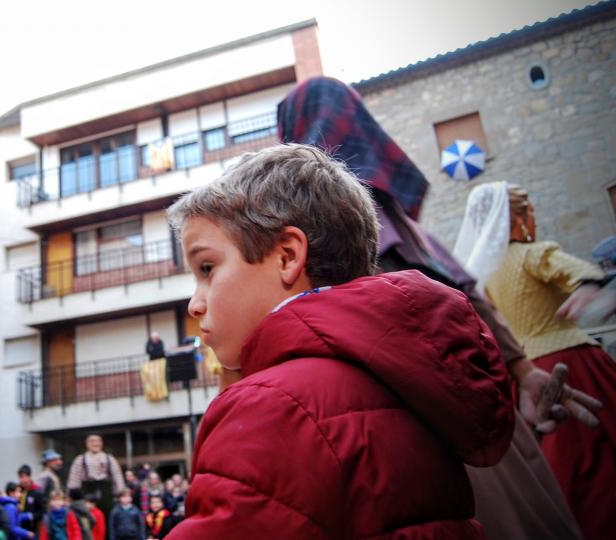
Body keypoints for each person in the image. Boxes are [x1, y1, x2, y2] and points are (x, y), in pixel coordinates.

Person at [278, 75, 595, 539]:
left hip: (427, 449)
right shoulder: (407, 228)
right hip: (481, 435)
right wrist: (523, 370)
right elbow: (470, 299)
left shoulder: (312, 237)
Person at [164, 143, 514, 537]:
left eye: (207, 268)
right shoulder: (404, 382)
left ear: (286, 257)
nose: (195, 304)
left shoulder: (274, 405)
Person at [454, 181, 616, 539]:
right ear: (518, 216)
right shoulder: (535, 254)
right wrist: (591, 285)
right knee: (602, 459)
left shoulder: (482, 273)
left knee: (565, 466)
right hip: (573, 363)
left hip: (524, 372)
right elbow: (583, 275)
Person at [66, 434, 125, 519]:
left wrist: (120, 494)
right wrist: (71, 497)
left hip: (106, 494)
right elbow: (74, 479)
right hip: (87, 493)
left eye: (98, 441)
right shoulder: (80, 459)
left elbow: (118, 477)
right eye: (92, 441)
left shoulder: (109, 458)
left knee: (108, 518)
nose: (95, 444)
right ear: (87, 444)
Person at [17, 464, 45, 533]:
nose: (23, 480)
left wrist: (31, 516)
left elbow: (42, 511)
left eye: (25, 477)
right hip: (20, 526)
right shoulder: (18, 490)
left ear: (30, 477)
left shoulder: (37, 492)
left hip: (33, 528)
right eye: (20, 477)